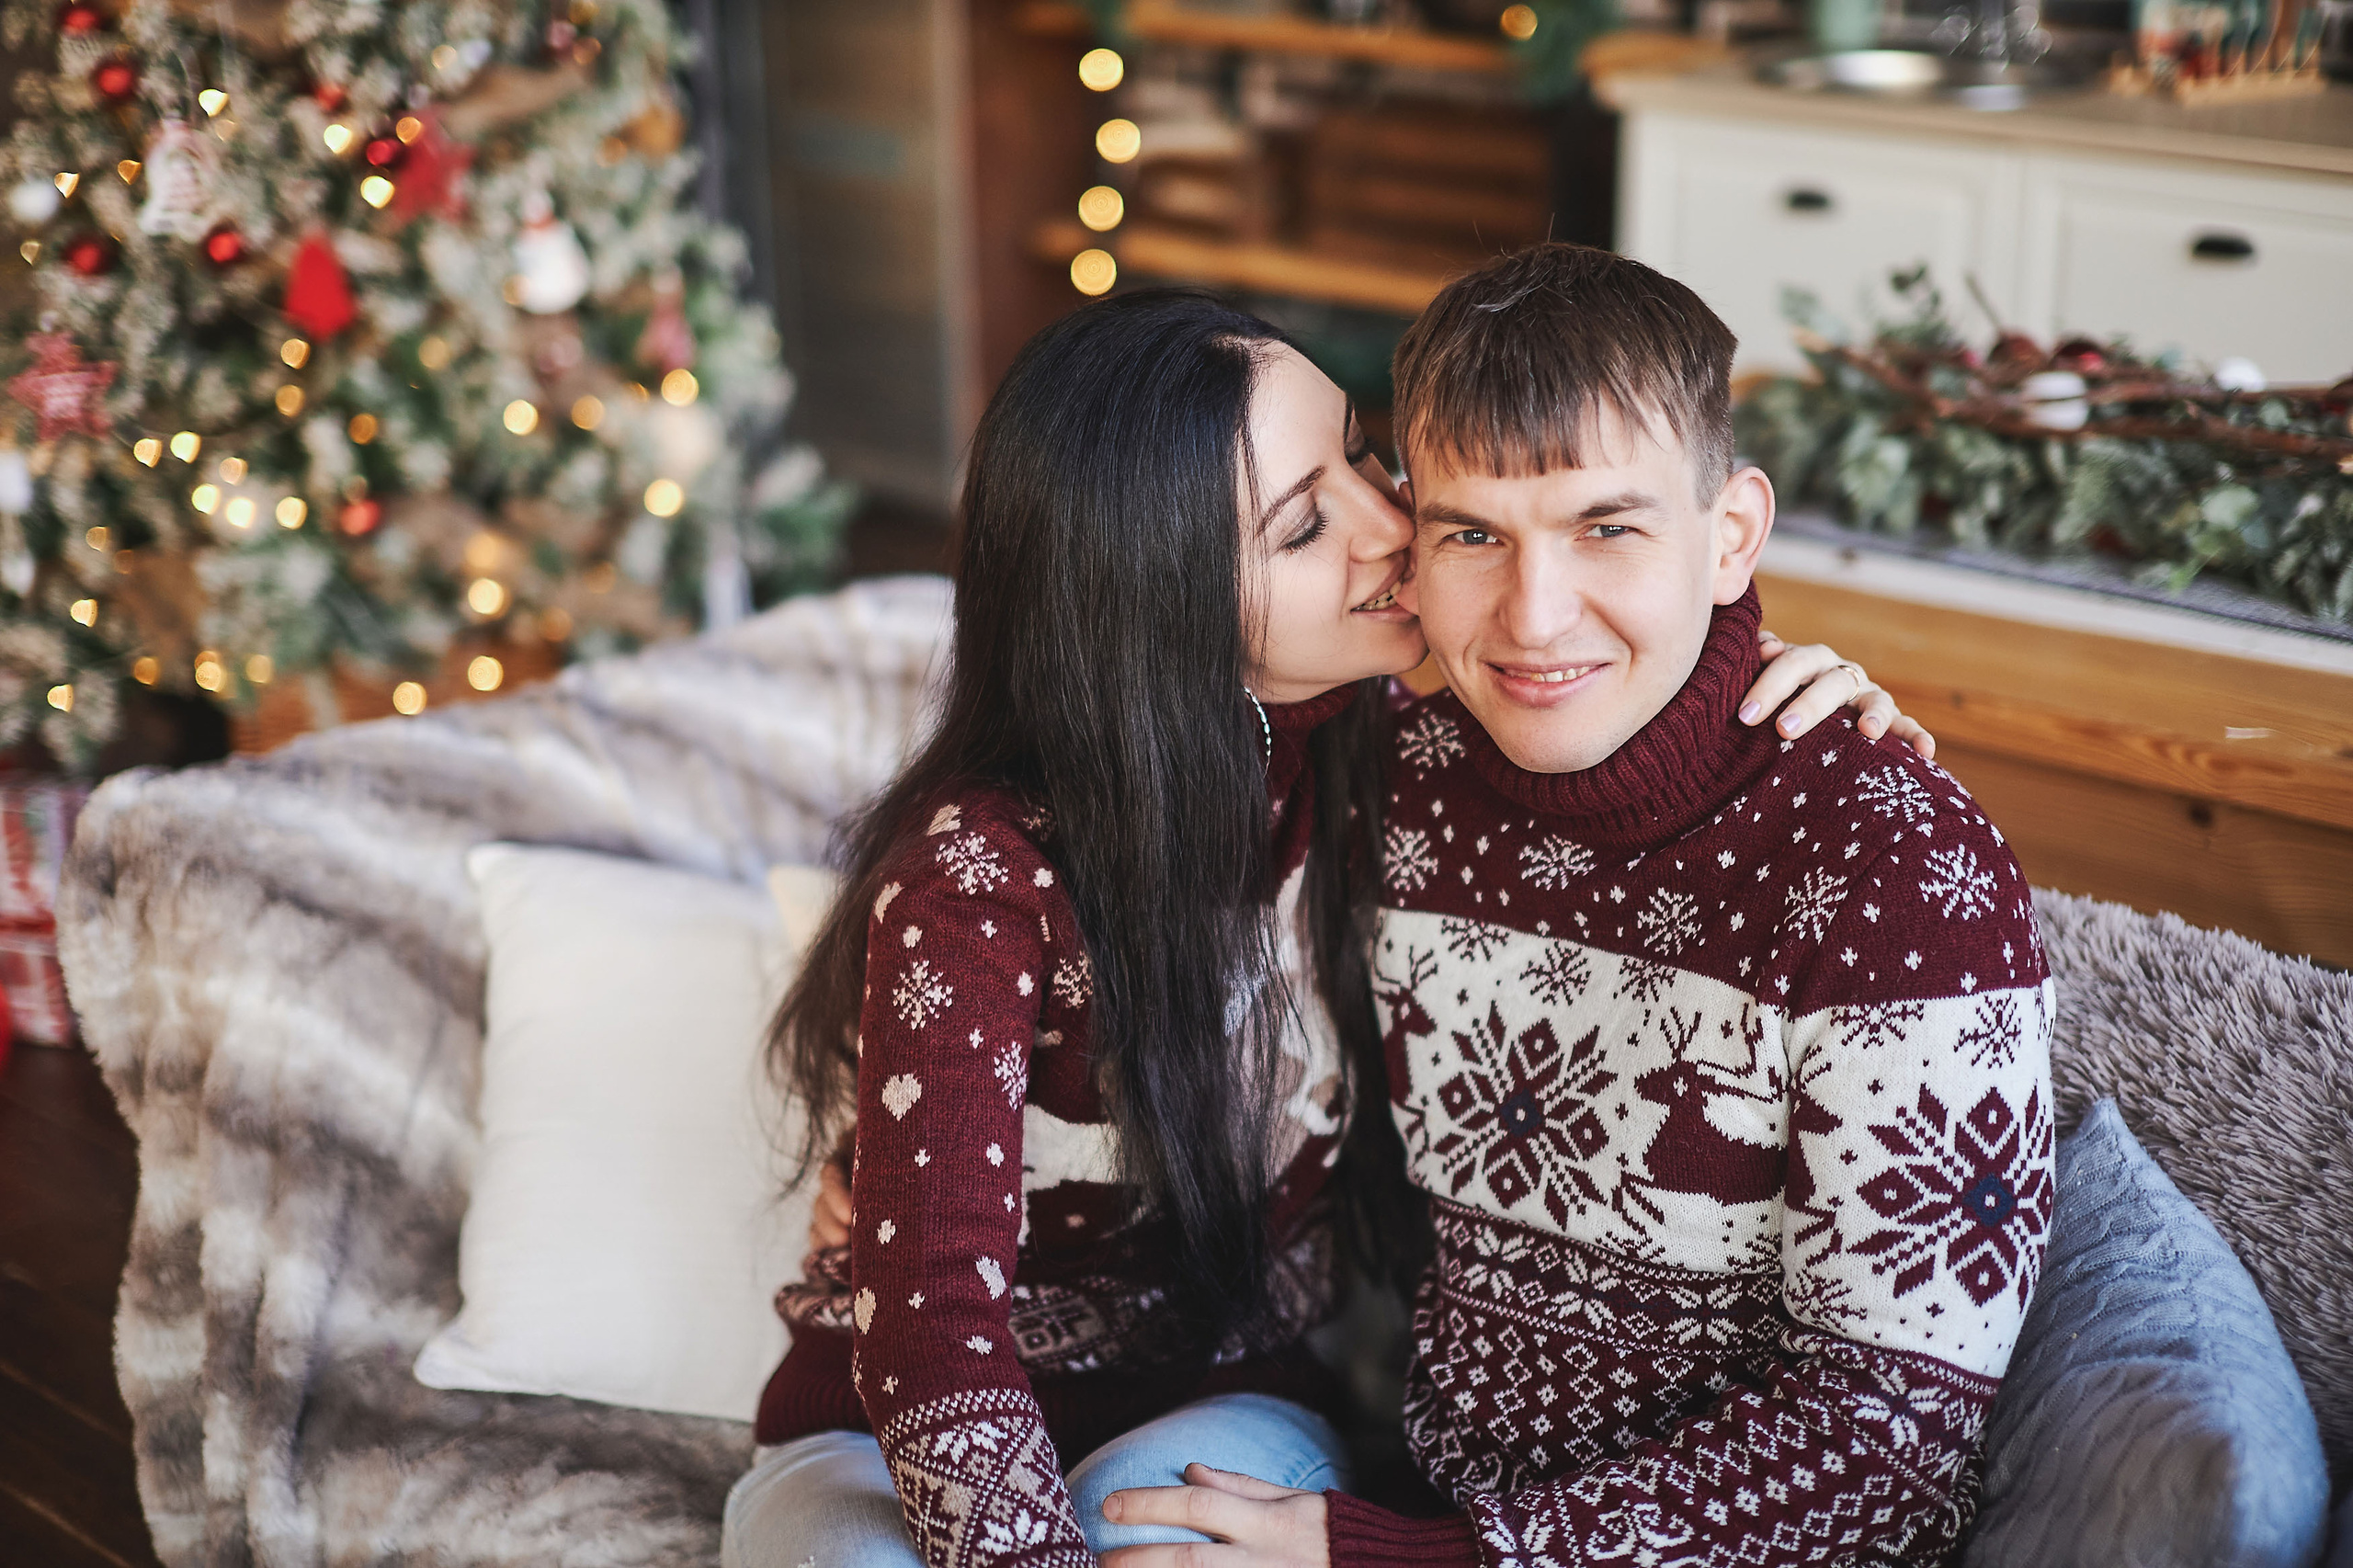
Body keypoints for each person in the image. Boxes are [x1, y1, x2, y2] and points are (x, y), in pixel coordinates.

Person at [731, 288, 1928, 1568]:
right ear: (1159, 605)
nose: (1393, 526)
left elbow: (1620, 691)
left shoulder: (1403, 764)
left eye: (1365, 455)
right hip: (880, 1430)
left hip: (1223, 1402)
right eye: (1306, 525)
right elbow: (930, 1336)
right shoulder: (982, 874)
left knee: (1161, 1540)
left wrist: (1784, 701)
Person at [1098, 246, 2054, 1566]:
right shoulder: (1393, 769)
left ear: (1731, 537)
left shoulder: (1900, 870)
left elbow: (1892, 1447)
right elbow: (1119, 758)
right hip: (1407, 1483)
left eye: (1608, 528)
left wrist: (1407, 1560)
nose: (1536, 619)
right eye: (1473, 534)